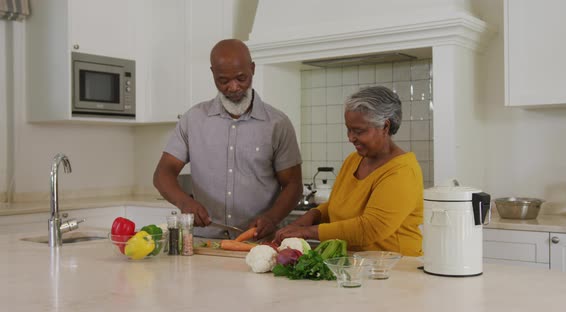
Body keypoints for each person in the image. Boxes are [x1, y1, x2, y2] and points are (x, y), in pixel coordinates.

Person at [153, 39, 303, 240]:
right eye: (223, 81)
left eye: (241, 78)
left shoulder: (277, 123)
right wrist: (184, 202)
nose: (233, 87)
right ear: (213, 74)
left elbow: (293, 185)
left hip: (257, 244)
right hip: (203, 243)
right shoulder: (193, 119)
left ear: (252, 69)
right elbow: (163, 173)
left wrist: (272, 217)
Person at [273, 86, 423, 256]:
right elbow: (337, 205)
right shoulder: (354, 160)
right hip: (357, 266)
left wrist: (309, 232)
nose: (350, 137)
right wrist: (312, 216)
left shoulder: (402, 171)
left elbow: (370, 228)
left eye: (359, 131)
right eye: (349, 129)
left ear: (385, 127)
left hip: (394, 270)